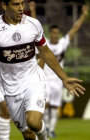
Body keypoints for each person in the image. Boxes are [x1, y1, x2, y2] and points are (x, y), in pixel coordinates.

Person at [0, 0, 85, 140]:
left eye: (22, 3)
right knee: (29, 135)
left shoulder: (33, 24)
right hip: (10, 88)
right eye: (15, 4)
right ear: (4, 5)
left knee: (34, 122)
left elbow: (45, 52)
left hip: (33, 80)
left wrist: (64, 78)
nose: (21, 8)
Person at [35, 5, 88, 138]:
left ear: (59, 34)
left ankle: (51, 129)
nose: (55, 35)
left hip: (58, 81)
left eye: (57, 33)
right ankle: (46, 127)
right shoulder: (45, 44)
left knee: (54, 107)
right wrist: (33, 10)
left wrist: (83, 15)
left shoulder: (62, 44)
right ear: (50, 33)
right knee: (45, 106)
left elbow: (74, 29)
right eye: (53, 32)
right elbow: (35, 28)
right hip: (45, 80)